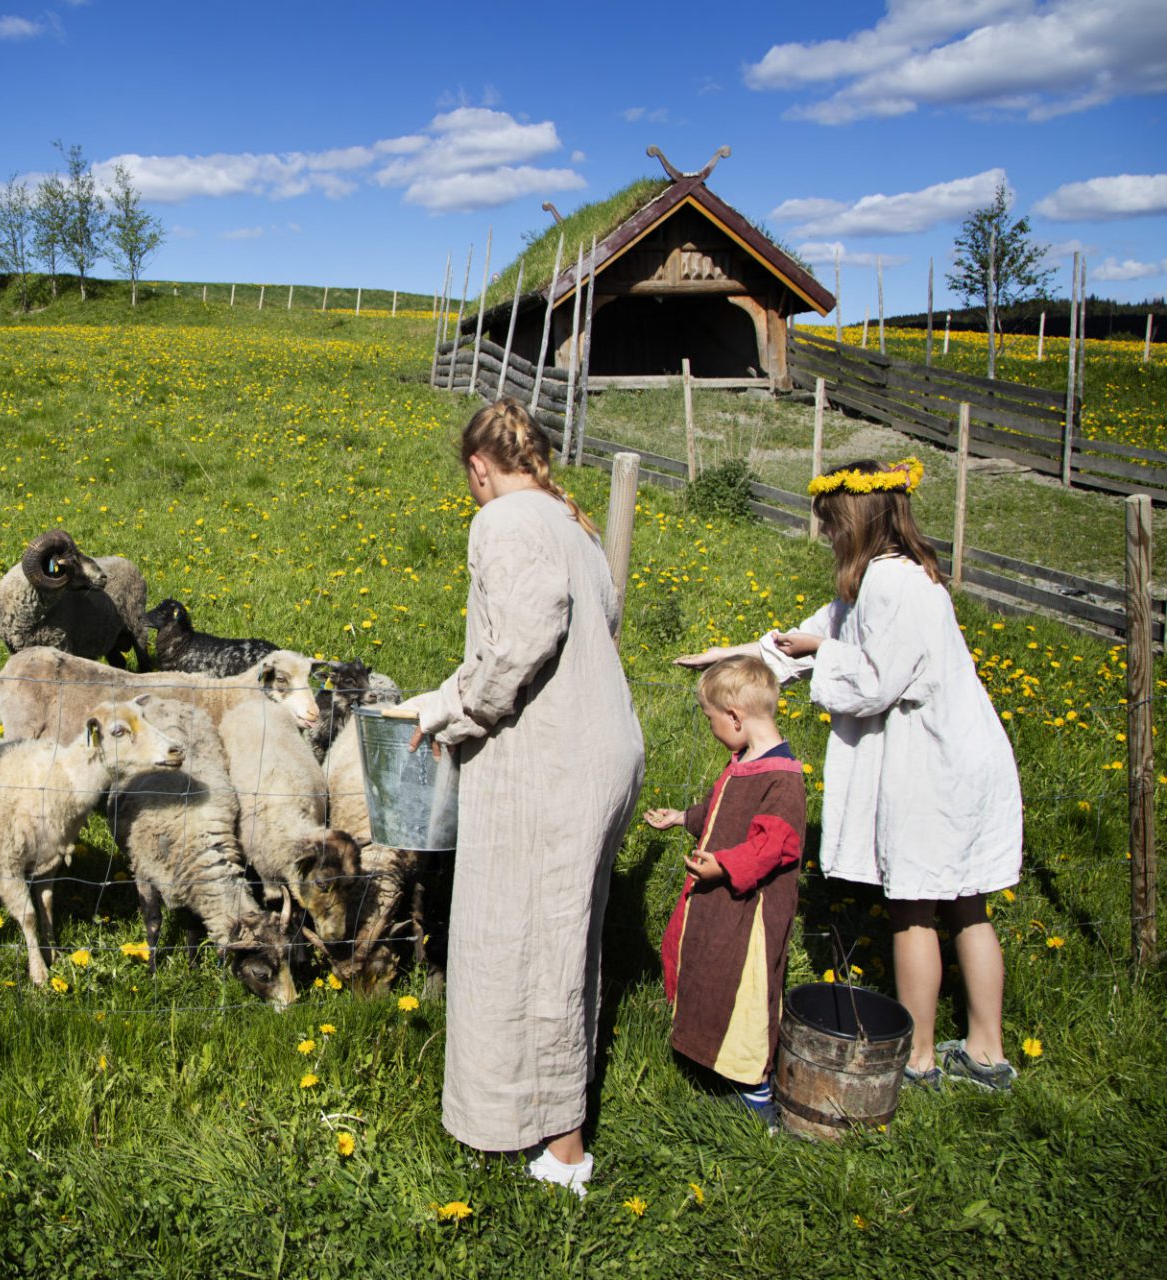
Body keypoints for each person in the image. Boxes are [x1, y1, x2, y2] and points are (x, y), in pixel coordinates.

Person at [677, 457, 1022, 1090]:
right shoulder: (908, 578)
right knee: (967, 902)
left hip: (933, 762)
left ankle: (915, 1059)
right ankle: (986, 1051)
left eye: (833, 525)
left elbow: (871, 680)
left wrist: (821, 654)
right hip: (964, 754)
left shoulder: (889, 586)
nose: (830, 537)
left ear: (857, 520)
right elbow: (806, 639)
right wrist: (732, 654)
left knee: (914, 903)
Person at [397, 398, 645, 1196]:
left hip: (549, 761)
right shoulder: (574, 527)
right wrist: (453, 694)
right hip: (597, 749)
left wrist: (458, 710)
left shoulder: (503, 523)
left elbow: (525, 636)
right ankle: (539, 1120)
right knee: (560, 936)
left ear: (479, 469)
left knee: (526, 943)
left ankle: (558, 1149)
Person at [644, 656, 805, 1120]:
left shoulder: (783, 779)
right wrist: (683, 819)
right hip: (721, 901)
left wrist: (725, 866)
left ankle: (755, 1087)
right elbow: (722, 810)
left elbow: (775, 845)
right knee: (710, 974)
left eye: (712, 720)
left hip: (749, 912)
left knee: (744, 990)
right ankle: (712, 1060)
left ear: (735, 716)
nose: (712, 729)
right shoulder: (744, 762)